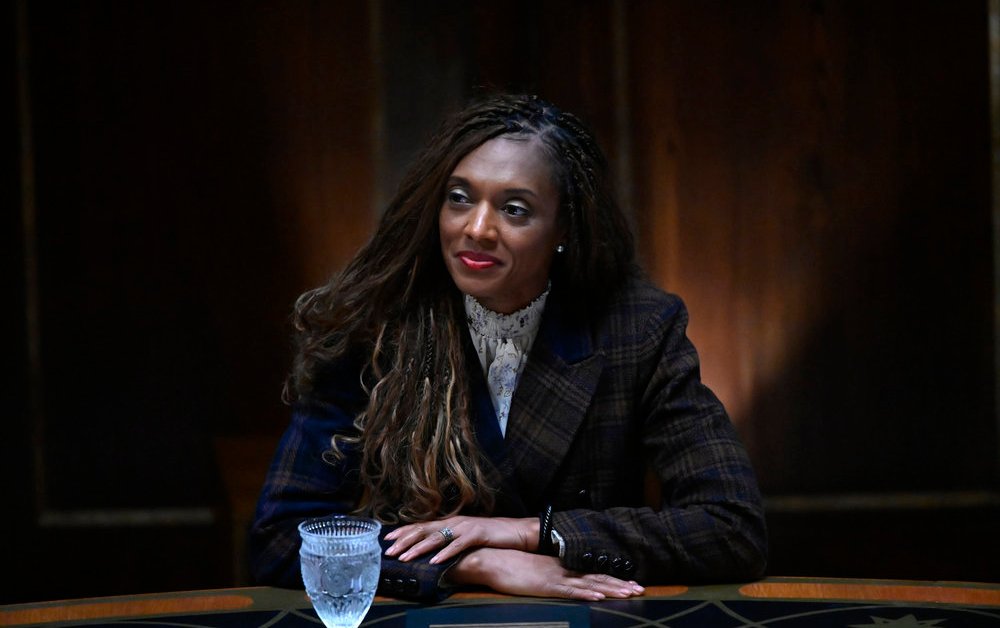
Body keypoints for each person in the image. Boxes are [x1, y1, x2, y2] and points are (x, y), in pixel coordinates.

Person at [249, 93, 767, 602]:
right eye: (459, 198)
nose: (477, 229)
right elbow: (280, 537)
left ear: (565, 227)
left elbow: (730, 528)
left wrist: (530, 533)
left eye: (515, 210)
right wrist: (470, 563)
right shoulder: (379, 323)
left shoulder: (637, 329)